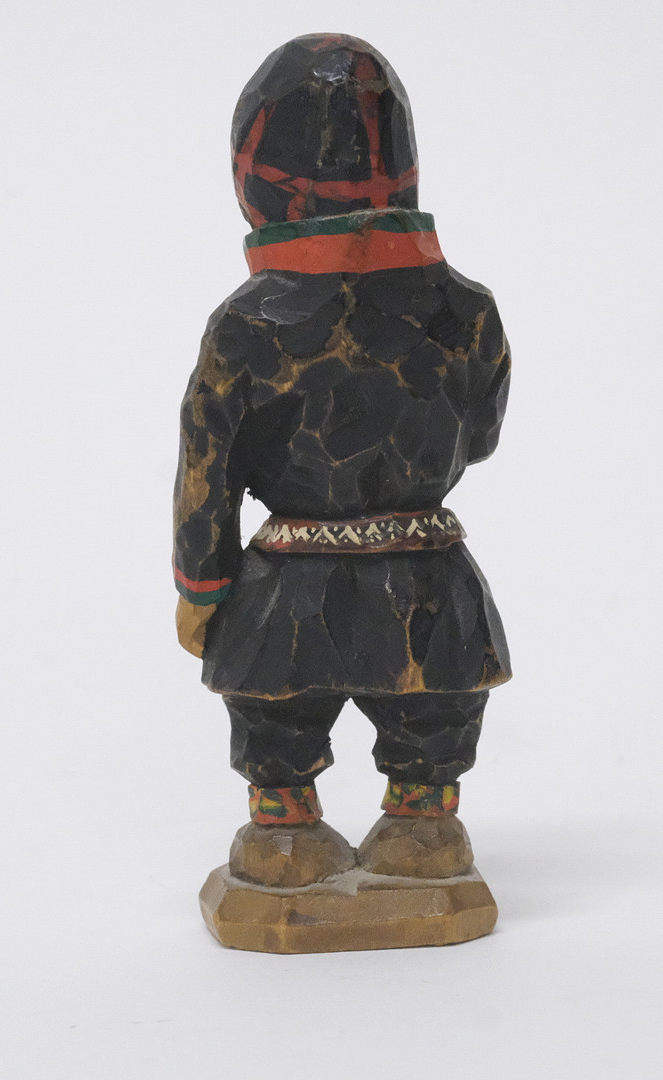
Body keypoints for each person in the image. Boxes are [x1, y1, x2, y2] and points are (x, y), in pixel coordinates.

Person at [174, 33, 511, 887]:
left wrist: (201, 587)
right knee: (433, 712)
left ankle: (285, 835)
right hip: (428, 577)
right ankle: (424, 830)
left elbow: (207, 472)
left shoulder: (247, 326)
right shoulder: (469, 311)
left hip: (286, 590)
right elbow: (481, 437)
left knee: (277, 721)